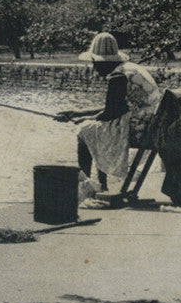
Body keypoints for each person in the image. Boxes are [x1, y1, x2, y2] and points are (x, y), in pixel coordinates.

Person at [56, 32, 161, 191]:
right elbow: (114, 107)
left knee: (83, 132)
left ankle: (87, 185)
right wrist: (76, 113)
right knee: (94, 128)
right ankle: (101, 184)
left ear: (102, 62)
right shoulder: (129, 69)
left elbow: (109, 113)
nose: (95, 68)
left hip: (140, 128)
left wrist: (83, 121)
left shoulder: (118, 76)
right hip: (150, 122)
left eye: (95, 63)